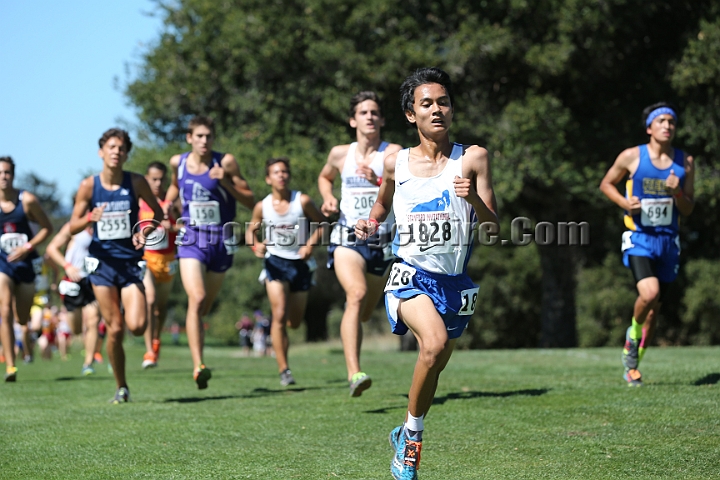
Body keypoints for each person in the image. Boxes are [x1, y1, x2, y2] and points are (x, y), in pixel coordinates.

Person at [356, 67, 499, 480]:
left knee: (433, 363)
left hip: (454, 282)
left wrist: (473, 199)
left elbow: (492, 227)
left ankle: (404, 430)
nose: (437, 110)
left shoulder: (472, 158)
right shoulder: (394, 162)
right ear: (410, 114)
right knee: (433, 345)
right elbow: (382, 206)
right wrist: (371, 223)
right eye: (426, 104)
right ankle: (414, 442)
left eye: (443, 102)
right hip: (409, 274)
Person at [599, 102, 695, 387]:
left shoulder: (685, 162)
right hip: (639, 237)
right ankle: (633, 334)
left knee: (654, 310)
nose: (668, 125)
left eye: (672, 122)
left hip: (668, 241)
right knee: (649, 294)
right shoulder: (632, 156)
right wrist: (625, 203)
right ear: (649, 128)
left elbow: (688, 209)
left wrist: (677, 191)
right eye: (662, 121)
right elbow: (606, 184)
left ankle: (633, 365)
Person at [318, 91, 402, 396]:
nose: (369, 117)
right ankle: (354, 373)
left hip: (382, 240)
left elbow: (408, 188)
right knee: (355, 294)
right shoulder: (341, 154)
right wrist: (328, 197)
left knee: (366, 311)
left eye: (375, 112)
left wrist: (377, 183)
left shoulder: (393, 153)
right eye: (363, 112)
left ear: (381, 119)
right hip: (347, 235)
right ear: (353, 120)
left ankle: (360, 323)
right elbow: (325, 177)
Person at [69, 128, 163, 403]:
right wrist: (89, 217)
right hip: (101, 265)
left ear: (126, 154)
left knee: (136, 325)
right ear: (101, 152)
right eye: (111, 147)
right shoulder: (89, 185)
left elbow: (156, 212)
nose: (116, 152)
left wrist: (143, 232)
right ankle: (121, 387)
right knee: (116, 328)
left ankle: (123, 379)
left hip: (130, 263)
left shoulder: (136, 182)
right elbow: (72, 224)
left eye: (121, 148)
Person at [165, 116, 254, 389]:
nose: (204, 141)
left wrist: (225, 181)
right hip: (191, 238)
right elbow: (174, 188)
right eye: (199, 136)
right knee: (197, 297)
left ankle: (198, 349)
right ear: (189, 138)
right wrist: (168, 204)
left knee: (203, 306)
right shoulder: (177, 163)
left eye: (209, 136)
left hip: (221, 240)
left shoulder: (225, 162)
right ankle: (198, 365)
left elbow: (250, 199)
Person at [247, 157, 326, 386]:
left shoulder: (302, 200)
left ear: (288, 176)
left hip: (300, 264)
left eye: (284, 172)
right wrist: (256, 245)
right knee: (279, 314)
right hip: (275, 262)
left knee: (294, 322)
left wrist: (310, 244)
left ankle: (285, 360)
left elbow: (321, 223)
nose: (281, 175)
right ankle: (284, 369)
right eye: (276, 172)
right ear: (268, 178)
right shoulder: (262, 206)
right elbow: (250, 232)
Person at [0, 156, 54, 382]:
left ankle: (26, 342)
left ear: (13, 175)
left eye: (7, 173)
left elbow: (47, 228)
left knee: (23, 318)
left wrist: (28, 247)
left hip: (26, 263)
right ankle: (11, 366)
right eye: (0, 173)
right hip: (3, 263)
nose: (3, 177)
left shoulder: (27, 200)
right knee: (4, 311)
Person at [46, 219, 103, 376]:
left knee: (93, 320)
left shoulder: (103, 226)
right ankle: (85, 351)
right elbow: (52, 248)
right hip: (73, 280)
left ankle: (88, 363)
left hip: (94, 279)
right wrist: (67, 266)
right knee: (76, 329)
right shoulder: (74, 227)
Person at [139, 161, 180, 369]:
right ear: (146, 179)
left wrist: (170, 225)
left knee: (160, 308)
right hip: (147, 258)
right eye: (153, 179)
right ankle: (149, 352)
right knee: (150, 300)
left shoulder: (171, 202)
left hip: (168, 259)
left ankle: (156, 339)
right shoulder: (140, 202)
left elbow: (185, 226)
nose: (157, 183)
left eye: (161, 179)